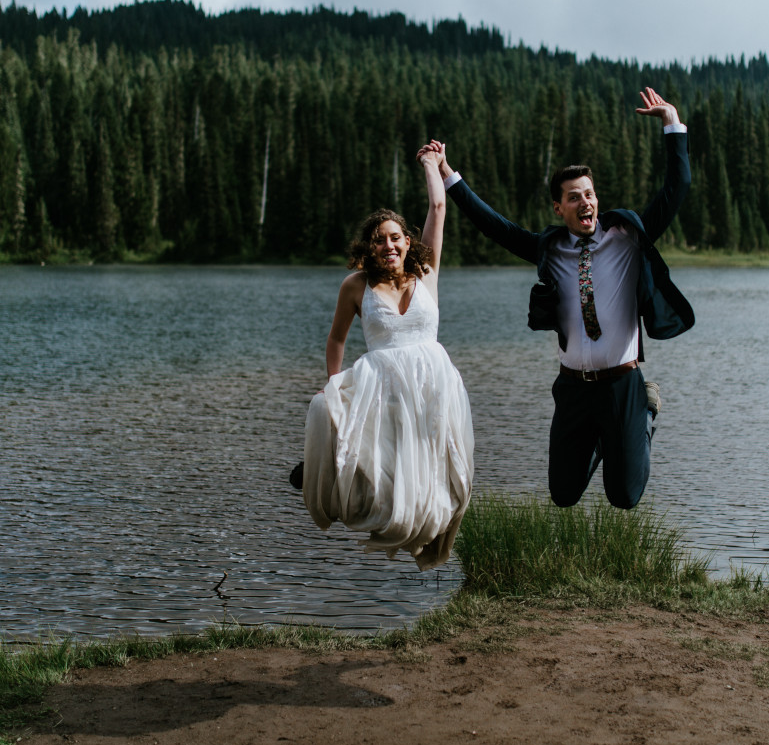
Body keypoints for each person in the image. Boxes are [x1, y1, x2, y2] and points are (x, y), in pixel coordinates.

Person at [435, 86, 694, 509]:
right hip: (573, 389)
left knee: (624, 497)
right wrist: (449, 175)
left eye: (589, 194)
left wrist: (671, 124)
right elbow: (494, 226)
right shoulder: (549, 249)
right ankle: (603, 441)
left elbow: (676, 188)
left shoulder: (627, 238)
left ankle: (645, 415)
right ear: (560, 208)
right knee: (563, 495)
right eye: (574, 197)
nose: (585, 202)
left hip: (623, 384)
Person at [294, 140, 474, 570]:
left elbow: (438, 207)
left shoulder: (425, 273)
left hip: (434, 386)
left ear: (408, 242)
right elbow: (336, 340)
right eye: (379, 240)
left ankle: (426, 535)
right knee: (384, 475)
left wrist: (433, 163)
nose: (388, 246)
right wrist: (334, 383)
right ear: (369, 247)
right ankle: (355, 498)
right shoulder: (355, 286)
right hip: (384, 387)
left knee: (441, 472)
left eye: (395, 238)